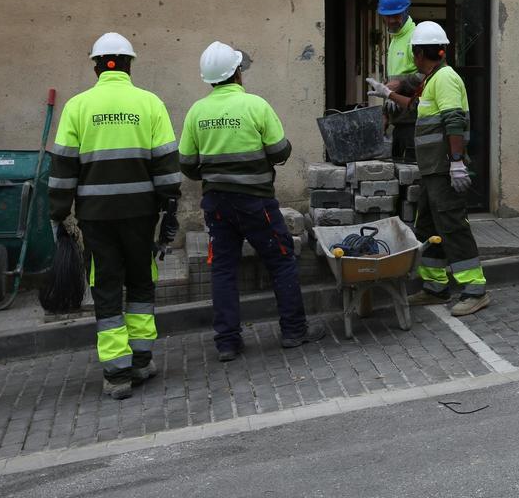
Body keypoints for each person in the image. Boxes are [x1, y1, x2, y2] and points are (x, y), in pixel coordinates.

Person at [48, 32, 181, 400]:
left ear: (96, 66)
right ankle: (141, 360)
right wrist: (170, 208)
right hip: (141, 214)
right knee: (141, 281)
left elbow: (62, 170)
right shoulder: (149, 103)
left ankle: (116, 373)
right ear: (129, 64)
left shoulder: (77, 106)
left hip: (96, 217)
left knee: (106, 286)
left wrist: (59, 214)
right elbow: (168, 168)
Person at [179, 42, 326, 362]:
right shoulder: (256, 106)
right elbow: (280, 152)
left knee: (223, 269)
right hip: (255, 202)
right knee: (282, 259)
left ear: (209, 79)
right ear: (236, 73)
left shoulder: (196, 112)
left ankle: (228, 342)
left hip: (216, 204)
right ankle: (293, 330)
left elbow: (188, 165)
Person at [367, 21, 489, 316]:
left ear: (420, 54)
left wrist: (457, 162)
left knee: (453, 226)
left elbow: (454, 121)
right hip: (433, 169)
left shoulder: (445, 79)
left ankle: (475, 289)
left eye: (414, 54)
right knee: (428, 227)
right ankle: (435, 286)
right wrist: (387, 94)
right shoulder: (433, 79)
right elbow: (414, 105)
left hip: (444, 168)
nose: (413, 59)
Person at [375, 0, 421, 161]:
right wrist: (386, 113)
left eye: (397, 15)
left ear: (406, 11)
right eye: (388, 16)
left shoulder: (415, 37)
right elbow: (392, 86)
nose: (393, 20)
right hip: (399, 123)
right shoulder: (395, 39)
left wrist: (401, 83)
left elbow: (428, 75)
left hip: (414, 123)